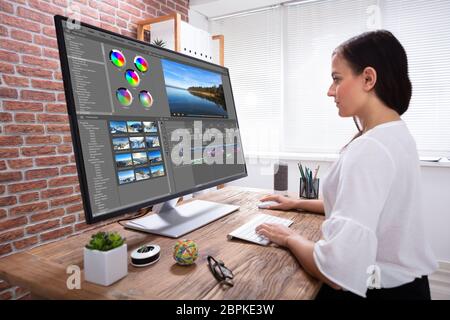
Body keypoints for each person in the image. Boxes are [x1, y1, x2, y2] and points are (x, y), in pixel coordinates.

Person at [256, 30, 438, 300]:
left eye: (336, 79)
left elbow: (336, 270)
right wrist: (299, 203)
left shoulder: (369, 149)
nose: (330, 91)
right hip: (410, 286)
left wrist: (288, 238)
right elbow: (368, 208)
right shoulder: (396, 132)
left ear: (368, 78)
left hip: (376, 289)